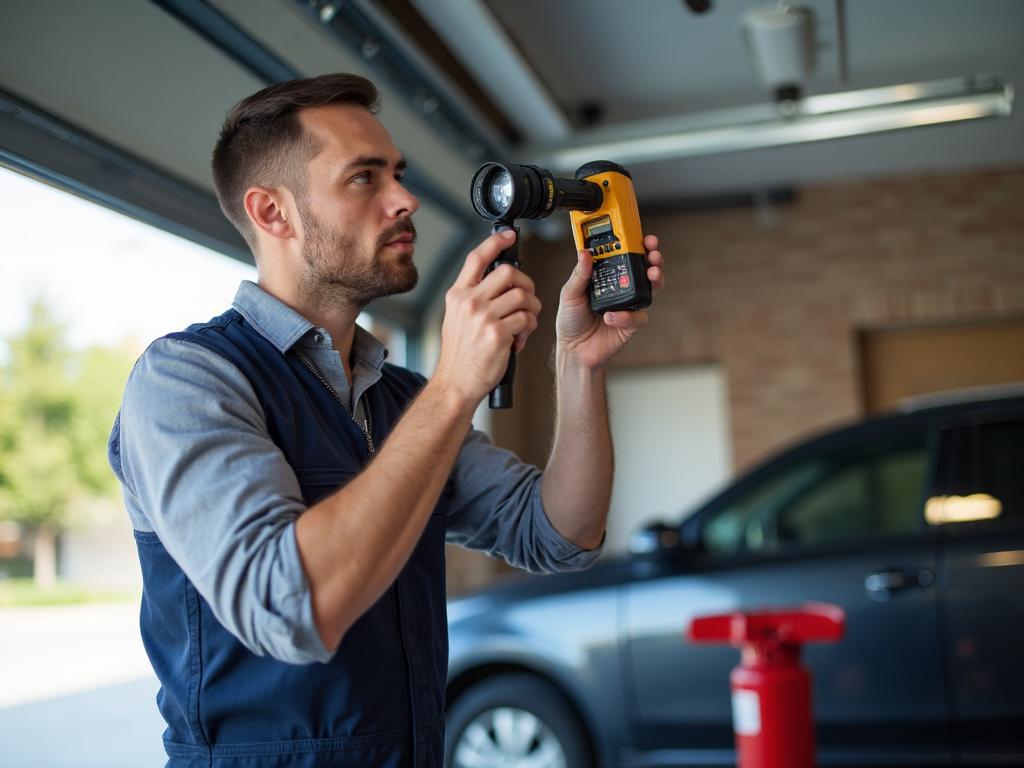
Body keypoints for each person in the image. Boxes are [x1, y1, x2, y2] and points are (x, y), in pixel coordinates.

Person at [108, 73, 664, 768]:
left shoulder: (401, 398)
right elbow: (289, 607)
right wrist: (457, 384)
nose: (405, 200)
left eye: (396, 174)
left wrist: (578, 363)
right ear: (272, 212)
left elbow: (559, 531)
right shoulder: (186, 382)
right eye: (364, 179)